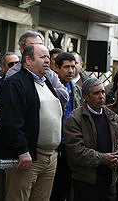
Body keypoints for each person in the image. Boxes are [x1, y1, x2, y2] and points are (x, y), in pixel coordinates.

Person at [0, 44, 62, 201]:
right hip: (27, 158)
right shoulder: (14, 83)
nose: (48, 60)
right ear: (28, 60)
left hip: (50, 157)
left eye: (48, 57)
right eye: (42, 57)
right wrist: (21, 150)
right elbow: (10, 121)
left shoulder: (46, 82)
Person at [65, 78, 118, 201]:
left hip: (109, 179)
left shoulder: (112, 116)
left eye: (103, 92)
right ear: (86, 96)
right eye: (96, 93)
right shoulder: (76, 118)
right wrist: (102, 158)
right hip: (86, 181)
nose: (101, 96)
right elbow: (76, 151)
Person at [6, 30, 69, 107]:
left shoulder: (49, 73)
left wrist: (45, 91)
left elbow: (64, 96)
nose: (38, 48)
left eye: (40, 44)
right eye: (32, 45)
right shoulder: (13, 73)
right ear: (22, 49)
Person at [51, 52, 78, 201]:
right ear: (56, 67)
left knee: (67, 189)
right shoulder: (50, 88)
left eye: (73, 67)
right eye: (67, 67)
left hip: (70, 145)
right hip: (54, 145)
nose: (71, 71)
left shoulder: (77, 90)